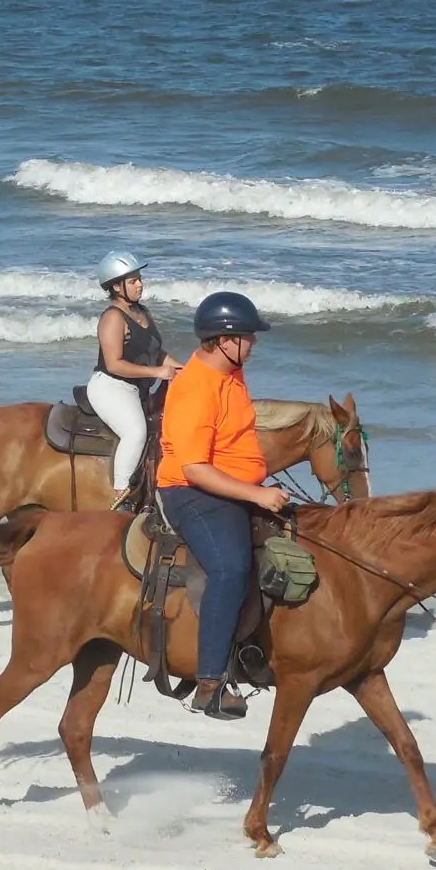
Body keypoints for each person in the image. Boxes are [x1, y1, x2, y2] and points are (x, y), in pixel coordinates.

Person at [156, 291, 288, 720]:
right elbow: (195, 469)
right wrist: (257, 494)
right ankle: (210, 683)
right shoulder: (197, 388)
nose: (254, 344)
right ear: (224, 339)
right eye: (248, 337)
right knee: (231, 567)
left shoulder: (230, 372)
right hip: (192, 493)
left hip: (230, 485)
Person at [84, 250, 181, 510]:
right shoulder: (113, 318)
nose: (140, 284)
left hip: (136, 388)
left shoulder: (142, 312)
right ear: (116, 286)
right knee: (135, 432)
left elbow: (156, 353)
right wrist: (157, 373)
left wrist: (184, 368)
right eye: (133, 280)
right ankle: (121, 495)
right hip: (111, 387)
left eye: (139, 279)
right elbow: (115, 363)